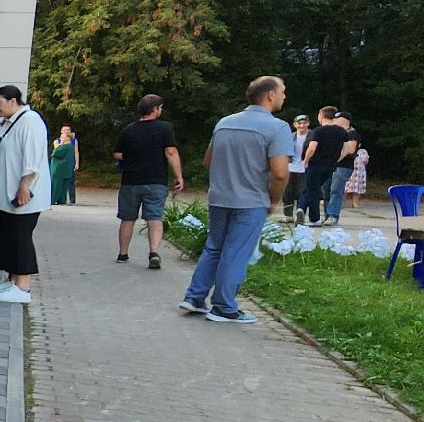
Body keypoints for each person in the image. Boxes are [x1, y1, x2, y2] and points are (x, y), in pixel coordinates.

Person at [179, 75, 292, 324]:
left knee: (214, 247)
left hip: (219, 196)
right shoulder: (278, 128)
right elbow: (281, 172)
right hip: (251, 200)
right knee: (236, 253)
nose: (285, 96)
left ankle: (195, 296)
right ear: (270, 95)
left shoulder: (224, 123)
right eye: (282, 91)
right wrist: (274, 199)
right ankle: (224, 307)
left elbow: (208, 161)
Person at [0, 84, 50, 304]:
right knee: (8, 235)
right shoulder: (6, 124)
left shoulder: (31, 121)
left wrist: (25, 185)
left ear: (13, 101)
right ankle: (12, 279)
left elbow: (33, 158)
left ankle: (23, 287)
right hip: (6, 195)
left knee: (21, 237)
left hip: (23, 195)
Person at [112, 94, 184, 267]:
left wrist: (130, 156)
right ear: (155, 109)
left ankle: (123, 254)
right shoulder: (165, 128)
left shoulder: (129, 129)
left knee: (127, 218)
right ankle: (153, 253)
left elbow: (117, 153)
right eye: (160, 107)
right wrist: (178, 176)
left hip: (130, 181)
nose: (161, 110)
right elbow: (171, 152)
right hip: (155, 180)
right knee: (154, 217)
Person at [298, 106, 347, 226]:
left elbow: (312, 148)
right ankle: (301, 208)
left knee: (313, 191)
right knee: (310, 188)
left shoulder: (318, 131)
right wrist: (336, 160)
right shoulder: (342, 132)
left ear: (321, 116)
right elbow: (345, 149)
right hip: (330, 166)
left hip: (315, 165)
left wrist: (306, 160)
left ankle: (314, 218)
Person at [323, 112, 360, 224]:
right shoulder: (335, 132)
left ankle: (333, 215)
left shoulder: (352, 133)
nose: (333, 120)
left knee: (336, 190)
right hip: (329, 165)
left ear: (344, 120)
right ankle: (327, 215)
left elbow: (350, 149)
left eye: (336, 118)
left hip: (343, 166)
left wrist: (335, 159)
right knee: (326, 190)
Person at [281, 113, 309, 220]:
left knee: (302, 191)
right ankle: (288, 215)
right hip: (290, 167)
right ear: (295, 124)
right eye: (299, 123)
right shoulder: (290, 136)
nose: (302, 125)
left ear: (308, 123)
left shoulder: (312, 136)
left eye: (304, 123)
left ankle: (300, 212)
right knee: (287, 192)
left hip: (304, 168)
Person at [49, 125, 79, 205]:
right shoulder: (70, 146)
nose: (61, 138)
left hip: (59, 168)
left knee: (57, 184)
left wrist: (61, 143)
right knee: (64, 185)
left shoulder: (65, 146)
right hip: (67, 168)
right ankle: (62, 200)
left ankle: (53, 199)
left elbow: (55, 153)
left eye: (63, 137)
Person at [345, 145, 369, 212]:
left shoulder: (363, 151)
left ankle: (355, 203)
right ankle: (340, 202)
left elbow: (366, 161)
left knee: (357, 189)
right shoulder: (348, 149)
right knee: (345, 187)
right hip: (350, 170)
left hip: (359, 173)